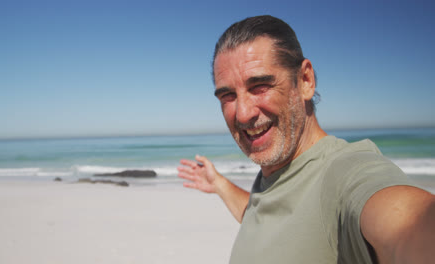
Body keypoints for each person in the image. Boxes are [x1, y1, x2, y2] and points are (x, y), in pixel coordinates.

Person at [177, 15, 435, 264]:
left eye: (260, 87)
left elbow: (407, 223)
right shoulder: (274, 173)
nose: (243, 113)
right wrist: (220, 185)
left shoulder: (345, 172)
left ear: (305, 81)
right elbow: (263, 216)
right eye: (228, 96)